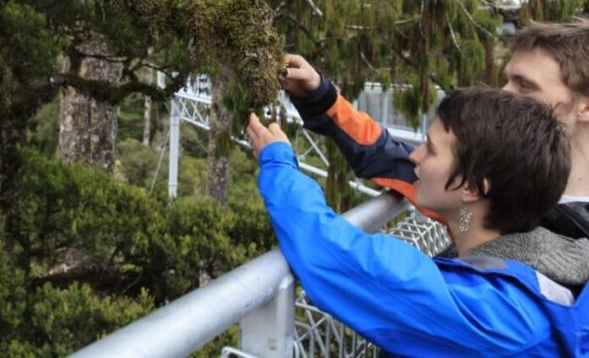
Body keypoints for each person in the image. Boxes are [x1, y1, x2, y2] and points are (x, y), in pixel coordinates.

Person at [247, 88, 589, 357]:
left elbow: (336, 257)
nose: (414, 155)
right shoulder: (542, 251)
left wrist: (277, 161)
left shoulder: (492, 316)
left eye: (430, 148)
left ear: (471, 187)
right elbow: (402, 169)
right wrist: (321, 96)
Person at [280, 19, 589, 235]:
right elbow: (389, 160)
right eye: (507, 79)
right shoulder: (477, 196)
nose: (502, 94)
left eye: (525, 86)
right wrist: (320, 95)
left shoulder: (569, 236)